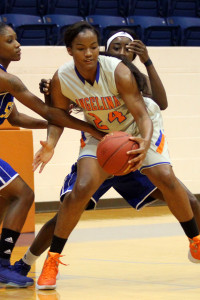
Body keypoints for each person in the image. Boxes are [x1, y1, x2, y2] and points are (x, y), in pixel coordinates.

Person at [27, 21, 200, 290]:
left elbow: (143, 113)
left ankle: (195, 240)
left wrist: (143, 141)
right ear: (69, 51)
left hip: (137, 128)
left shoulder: (118, 71)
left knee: (164, 176)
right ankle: (52, 260)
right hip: (101, 136)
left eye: (94, 47)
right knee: (81, 189)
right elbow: (58, 116)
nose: (89, 53)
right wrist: (51, 143)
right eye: (81, 48)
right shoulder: (63, 78)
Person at [0, 21, 104, 288]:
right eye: (10, 40)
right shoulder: (6, 79)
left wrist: (54, 122)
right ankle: (1, 265)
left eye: (16, 39)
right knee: (23, 195)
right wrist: (90, 127)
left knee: (8, 198)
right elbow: (48, 113)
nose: (18, 44)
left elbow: (17, 116)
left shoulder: (6, 81)